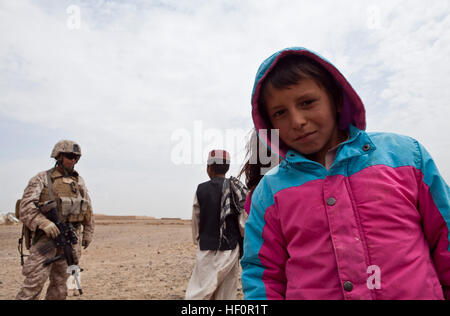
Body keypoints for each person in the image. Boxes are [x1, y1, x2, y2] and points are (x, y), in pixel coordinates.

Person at [241, 47, 450, 300]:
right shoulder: (269, 193)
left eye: (307, 102)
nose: (297, 121)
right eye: (280, 113)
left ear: (337, 100)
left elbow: (444, 235)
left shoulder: (406, 156)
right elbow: (263, 273)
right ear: (269, 124)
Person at [16, 140, 95, 300]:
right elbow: (25, 206)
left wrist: (88, 233)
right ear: (58, 156)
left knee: (60, 286)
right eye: (70, 156)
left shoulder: (78, 182)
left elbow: (88, 209)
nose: (73, 160)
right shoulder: (42, 178)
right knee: (34, 283)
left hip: (69, 239)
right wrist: (43, 222)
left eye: (76, 158)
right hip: (46, 240)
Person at [185, 150, 247, 300]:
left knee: (199, 291)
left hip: (206, 248)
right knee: (225, 294)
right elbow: (243, 223)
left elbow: (196, 220)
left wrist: (198, 239)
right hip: (230, 249)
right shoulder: (235, 189)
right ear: (226, 167)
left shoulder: (201, 189)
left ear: (210, 168)